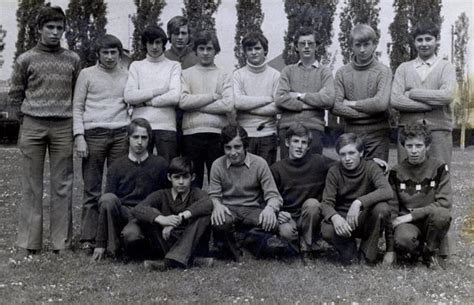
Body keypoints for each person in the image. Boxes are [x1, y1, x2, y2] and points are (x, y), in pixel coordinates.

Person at [9, 5, 81, 254]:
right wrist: (25, 121)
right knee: (32, 185)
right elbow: (15, 94)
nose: (55, 33)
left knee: (63, 185)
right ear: (39, 29)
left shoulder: (73, 59)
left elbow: (76, 93)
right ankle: (29, 243)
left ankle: (61, 244)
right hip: (33, 125)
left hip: (63, 125)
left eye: (59, 28)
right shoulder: (25, 58)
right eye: (50, 27)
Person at [73, 34, 129, 251]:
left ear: (119, 53)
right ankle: (88, 237)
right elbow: (77, 107)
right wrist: (79, 136)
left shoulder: (126, 75)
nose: (109, 57)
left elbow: (130, 104)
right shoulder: (86, 74)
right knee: (92, 188)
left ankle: (113, 236)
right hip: (93, 135)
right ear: (98, 54)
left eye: (113, 52)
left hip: (120, 135)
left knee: (116, 189)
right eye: (104, 52)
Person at [92, 118, 168, 261]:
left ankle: (145, 246)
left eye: (144, 138)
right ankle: (112, 249)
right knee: (107, 199)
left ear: (149, 139)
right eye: (135, 137)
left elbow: (166, 197)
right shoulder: (116, 166)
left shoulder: (160, 164)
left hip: (148, 215)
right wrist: (99, 243)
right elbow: (107, 203)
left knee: (132, 236)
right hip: (125, 214)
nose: (139, 142)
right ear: (128, 139)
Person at [209, 125, 283, 261]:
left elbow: (273, 195)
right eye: (228, 148)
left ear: (245, 146)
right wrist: (217, 205)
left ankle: (240, 241)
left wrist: (270, 208)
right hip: (229, 210)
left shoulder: (259, 163)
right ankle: (236, 252)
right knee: (220, 222)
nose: (233, 153)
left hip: (252, 210)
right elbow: (214, 195)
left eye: (237, 147)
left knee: (272, 223)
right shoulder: (217, 165)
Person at [391, 19, 456, 167]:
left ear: (436, 40)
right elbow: (396, 100)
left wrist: (412, 93)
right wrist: (429, 105)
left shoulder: (446, 67)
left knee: (440, 172)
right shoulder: (404, 68)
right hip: (408, 131)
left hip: (439, 130)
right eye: (419, 40)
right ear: (414, 42)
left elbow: (447, 95)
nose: (424, 44)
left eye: (428, 39)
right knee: (406, 175)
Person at [320, 133, 393, 264]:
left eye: (351, 153)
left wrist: (359, 202)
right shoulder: (334, 171)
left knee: (382, 208)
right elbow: (326, 203)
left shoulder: (370, 167)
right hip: (343, 220)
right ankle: (349, 249)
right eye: (343, 154)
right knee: (326, 229)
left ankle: (367, 253)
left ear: (361, 153)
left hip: (363, 218)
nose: (347, 158)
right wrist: (335, 218)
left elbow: (387, 190)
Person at [386, 123, 451, 269]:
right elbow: (392, 210)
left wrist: (411, 216)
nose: (414, 151)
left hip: (430, 219)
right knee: (402, 239)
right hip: (407, 224)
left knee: (442, 214)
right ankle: (421, 252)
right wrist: (390, 249)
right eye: (409, 146)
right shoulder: (396, 171)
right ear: (404, 146)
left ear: (427, 147)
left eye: (418, 145)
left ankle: (431, 251)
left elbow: (444, 203)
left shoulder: (439, 167)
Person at [132, 157, 213, 270]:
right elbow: (138, 209)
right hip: (167, 242)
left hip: (192, 241)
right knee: (150, 216)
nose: (181, 182)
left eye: (185, 177)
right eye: (176, 177)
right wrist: (162, 220)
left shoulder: (197, 193)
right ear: (169, 177)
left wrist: (180, 217)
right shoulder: (161, 194)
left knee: (203, 216)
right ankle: (190, 261)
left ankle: (168, 263)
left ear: (193, 177)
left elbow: (208, 203)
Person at [270, 123, 335, 259]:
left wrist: (372, 162)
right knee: (287, 233)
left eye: (304, 142)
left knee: (312, 203)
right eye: (295, 141)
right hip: (289, 217)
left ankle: (307, 247)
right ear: (287, 143)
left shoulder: (319, 162)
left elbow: (345, 164)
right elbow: (270, 196)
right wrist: (278, 213)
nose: (299, 146)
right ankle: (299, 244)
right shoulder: (277, 169)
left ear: (309, 146)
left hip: (311, 217)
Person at [179, 31, 233, 188]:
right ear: (196, 50)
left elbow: (228, 104)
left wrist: (196, 105)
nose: (205, 53)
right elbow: (183, 101)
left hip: (217, 135)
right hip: (191, 134)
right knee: (192, 180)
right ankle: (194, 211)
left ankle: (218, 211)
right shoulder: (186, 74)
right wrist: (212, 96)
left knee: (217, 179)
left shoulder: (224, 75)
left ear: (216, 50)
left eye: (209, 48)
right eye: (201, 48)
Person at [331, 24, 392, 161]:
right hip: (351, 135)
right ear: (351, 46)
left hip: (378, 136)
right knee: (353, 178)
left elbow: (380, 104)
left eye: (366, 44)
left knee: (377, 176)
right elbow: (335, 106)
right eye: (358, 45)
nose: (362, 50)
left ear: (374, 45)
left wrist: (351, 103)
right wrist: (369, 112)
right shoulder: (342, 72)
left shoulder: (384, 71)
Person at [275, 26, 335, 158]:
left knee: (312, 172)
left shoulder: (324, 72)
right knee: (287, 172)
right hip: (288, 127)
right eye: (302, 44)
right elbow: (280, 99)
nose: (306, 47)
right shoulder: (288, 71)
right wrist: (315, 101)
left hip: (313, 128)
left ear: (317, 47)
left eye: (310, 43)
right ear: (296, 47)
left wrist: (299, 95)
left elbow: (329, 100)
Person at [124, 25, 181, 163]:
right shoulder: (136, 66)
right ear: (145, 44)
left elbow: (175, 96)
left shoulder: (173, 65)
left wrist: (147, 102)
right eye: (150, 43)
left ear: (163, 44)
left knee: (167, 169)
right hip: (140, 126)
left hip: (166, 126)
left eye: (158, 42)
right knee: (140, 169)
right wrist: (158, 91)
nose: (154, 47)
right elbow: (129, 96)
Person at [233, 32, 280, 165]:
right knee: (245, 178)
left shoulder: (275, 75)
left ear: (265, 50)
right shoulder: (238, 75)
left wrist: (248, 107)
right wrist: (267, 99)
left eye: (257, 48)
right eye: (249, 49)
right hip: (244, 135)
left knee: (265, 178)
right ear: (245, 52)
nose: (253, 52)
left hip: (268, 134)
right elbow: (238, 102)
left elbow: (277, 106)